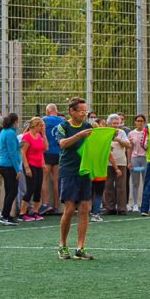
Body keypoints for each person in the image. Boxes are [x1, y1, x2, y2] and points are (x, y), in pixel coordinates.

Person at [55, 97, 95, 259]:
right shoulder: (63, 126)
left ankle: (80, 247)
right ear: (72, 111)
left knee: (85, 208)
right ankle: (63, 245)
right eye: (81, 111)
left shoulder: (88, 127)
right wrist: (79, 136)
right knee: (70, 208)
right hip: (69, 171)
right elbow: (63, 144)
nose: (84, 114)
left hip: (84, 171)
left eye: (86, 111)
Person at [20, 116, 48, 221]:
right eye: (41, 126)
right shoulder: (27, 136)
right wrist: (27, 167)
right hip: (30, 165)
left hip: (38, 165)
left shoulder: (39, 136)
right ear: (35, 125)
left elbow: (45, 148)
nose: (42, 128)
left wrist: (44, 134)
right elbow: (23, 152)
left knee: (37, 189)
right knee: (30, 189)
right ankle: (22, 212)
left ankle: (35, 211)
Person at [102, 114, 132, 215]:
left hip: (121, 162)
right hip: (107, 163)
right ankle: (110, 208)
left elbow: (128, 145)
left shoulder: (122, 132)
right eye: (114, 123)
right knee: (108, 185)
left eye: (117, 123)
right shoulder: (105, 132)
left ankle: (122, 208)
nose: (116, 125)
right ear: (109, 123)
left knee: (121, 186)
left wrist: (119, 140)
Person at [0, 113, 23, 226]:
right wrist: (18, 169)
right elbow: (12, 152)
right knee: (12, 191)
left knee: (9, 191)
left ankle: (6, 215)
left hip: (3, 164)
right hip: (9, 166)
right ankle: (5, 216)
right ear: (14, 122)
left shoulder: (3, 131)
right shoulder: (11, 133)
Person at [40, 103, 62, 215]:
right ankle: (57, 206)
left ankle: (45, 204)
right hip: (58, 152)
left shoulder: (43, 120)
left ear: (47, 111)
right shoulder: (62, 121)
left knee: (44, 179)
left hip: (46, 152)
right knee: (56, 180)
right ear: (56, 111)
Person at [127, 114, 147, 212]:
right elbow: (129, 148)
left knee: (146, 182)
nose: (139, 122)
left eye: (141, 121)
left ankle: (147, 203)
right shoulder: (131, 133)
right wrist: (129, 161)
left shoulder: (147, 132)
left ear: (144, 122)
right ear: (135, 122)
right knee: (135, 183)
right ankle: (135, 204)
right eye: (138, 121)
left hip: (145, 159)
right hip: (135, 159)